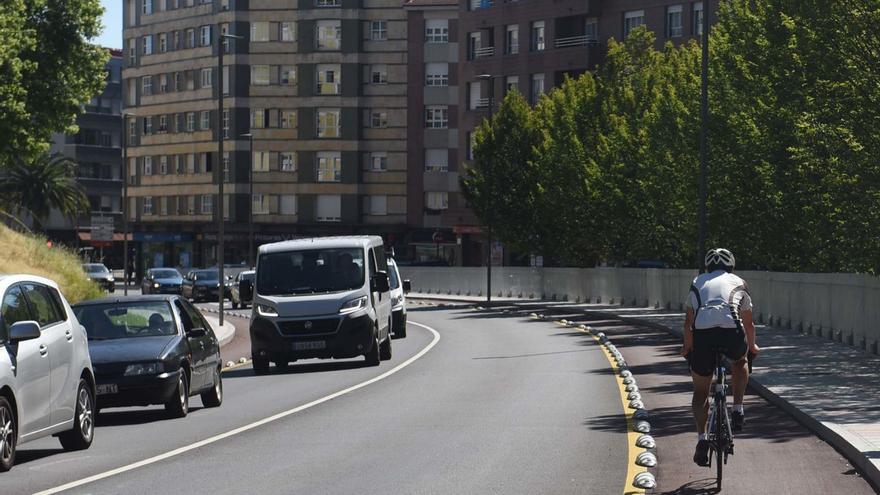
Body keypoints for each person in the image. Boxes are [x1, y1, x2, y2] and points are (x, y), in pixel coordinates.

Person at [680, 248, 760, 467]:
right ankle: (738, 409)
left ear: (707, 266)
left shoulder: (697, 282)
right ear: (731, 266)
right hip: (731, 331)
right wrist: (752, 347)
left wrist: (687, 348)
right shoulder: (740, 282)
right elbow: (749, 323)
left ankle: (702, 439)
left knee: (701, 391)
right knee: (740, 360)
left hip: (703, 335)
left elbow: (688, 323)